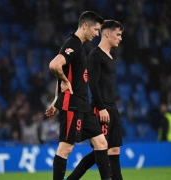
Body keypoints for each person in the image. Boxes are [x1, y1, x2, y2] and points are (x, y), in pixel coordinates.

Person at [45, 11, 111, 180]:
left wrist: (54, 101)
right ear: (85, 25)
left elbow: (63, 75)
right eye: (96, 29)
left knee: (101, 143)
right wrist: (63, 81)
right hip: (72, 105)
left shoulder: (79, 47)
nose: (97, 34)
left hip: (83, 106)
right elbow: (54, 65)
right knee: (65, 149)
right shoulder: (73, 44)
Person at [66, 20, 124, 180]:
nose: (120, 38)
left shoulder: (109, 55)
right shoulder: (95, 55)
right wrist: (101, 107)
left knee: (114, 150)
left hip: (112, 108)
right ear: (107, 33)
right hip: (102, 108)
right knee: (102, 149)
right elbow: (92, 83)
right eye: (118, 34)